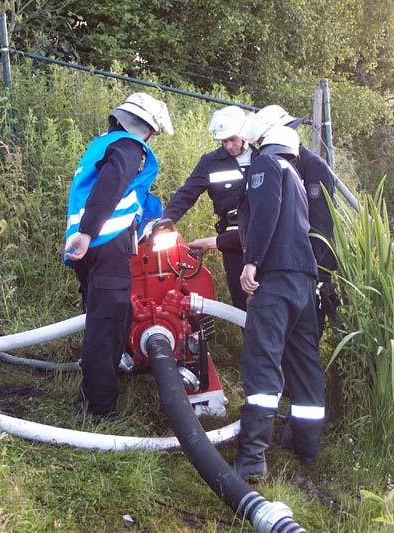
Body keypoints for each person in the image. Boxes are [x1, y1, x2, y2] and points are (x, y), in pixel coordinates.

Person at [64, 92, 173, 418]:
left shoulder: (100, 144)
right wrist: (89, 231)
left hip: (87, 247)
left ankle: (98, 390)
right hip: (105, 243)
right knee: (107, 326)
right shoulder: (128, 146)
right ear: (146, 128)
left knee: (110, 319)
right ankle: (98, 409)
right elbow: (110, 187)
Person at [233, 126, 326, 480]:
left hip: (276, 277)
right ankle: (307, 447)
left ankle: (252, 459)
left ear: (263, 143)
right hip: (304, 278)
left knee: (262, 358)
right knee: (304, 362)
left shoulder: (266, 165)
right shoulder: (296, 176)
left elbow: (265, 214)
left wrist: (252, 262)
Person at [242, 105, 339, 336]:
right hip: (284, 267)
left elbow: (321, 226)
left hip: (307, 267)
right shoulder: (279, 165)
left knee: (303, 336)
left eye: (262, 140)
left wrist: (310, 270)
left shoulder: (312, 166)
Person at [162, 105, 253, 310]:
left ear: (244, 133)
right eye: (224, 141)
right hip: (232, 242)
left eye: (233, 139)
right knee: (242, 302)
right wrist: (165, 221)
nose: (229, 146)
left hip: (262, 238)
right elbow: (187, 194)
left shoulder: (262, 157)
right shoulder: (211, 162)